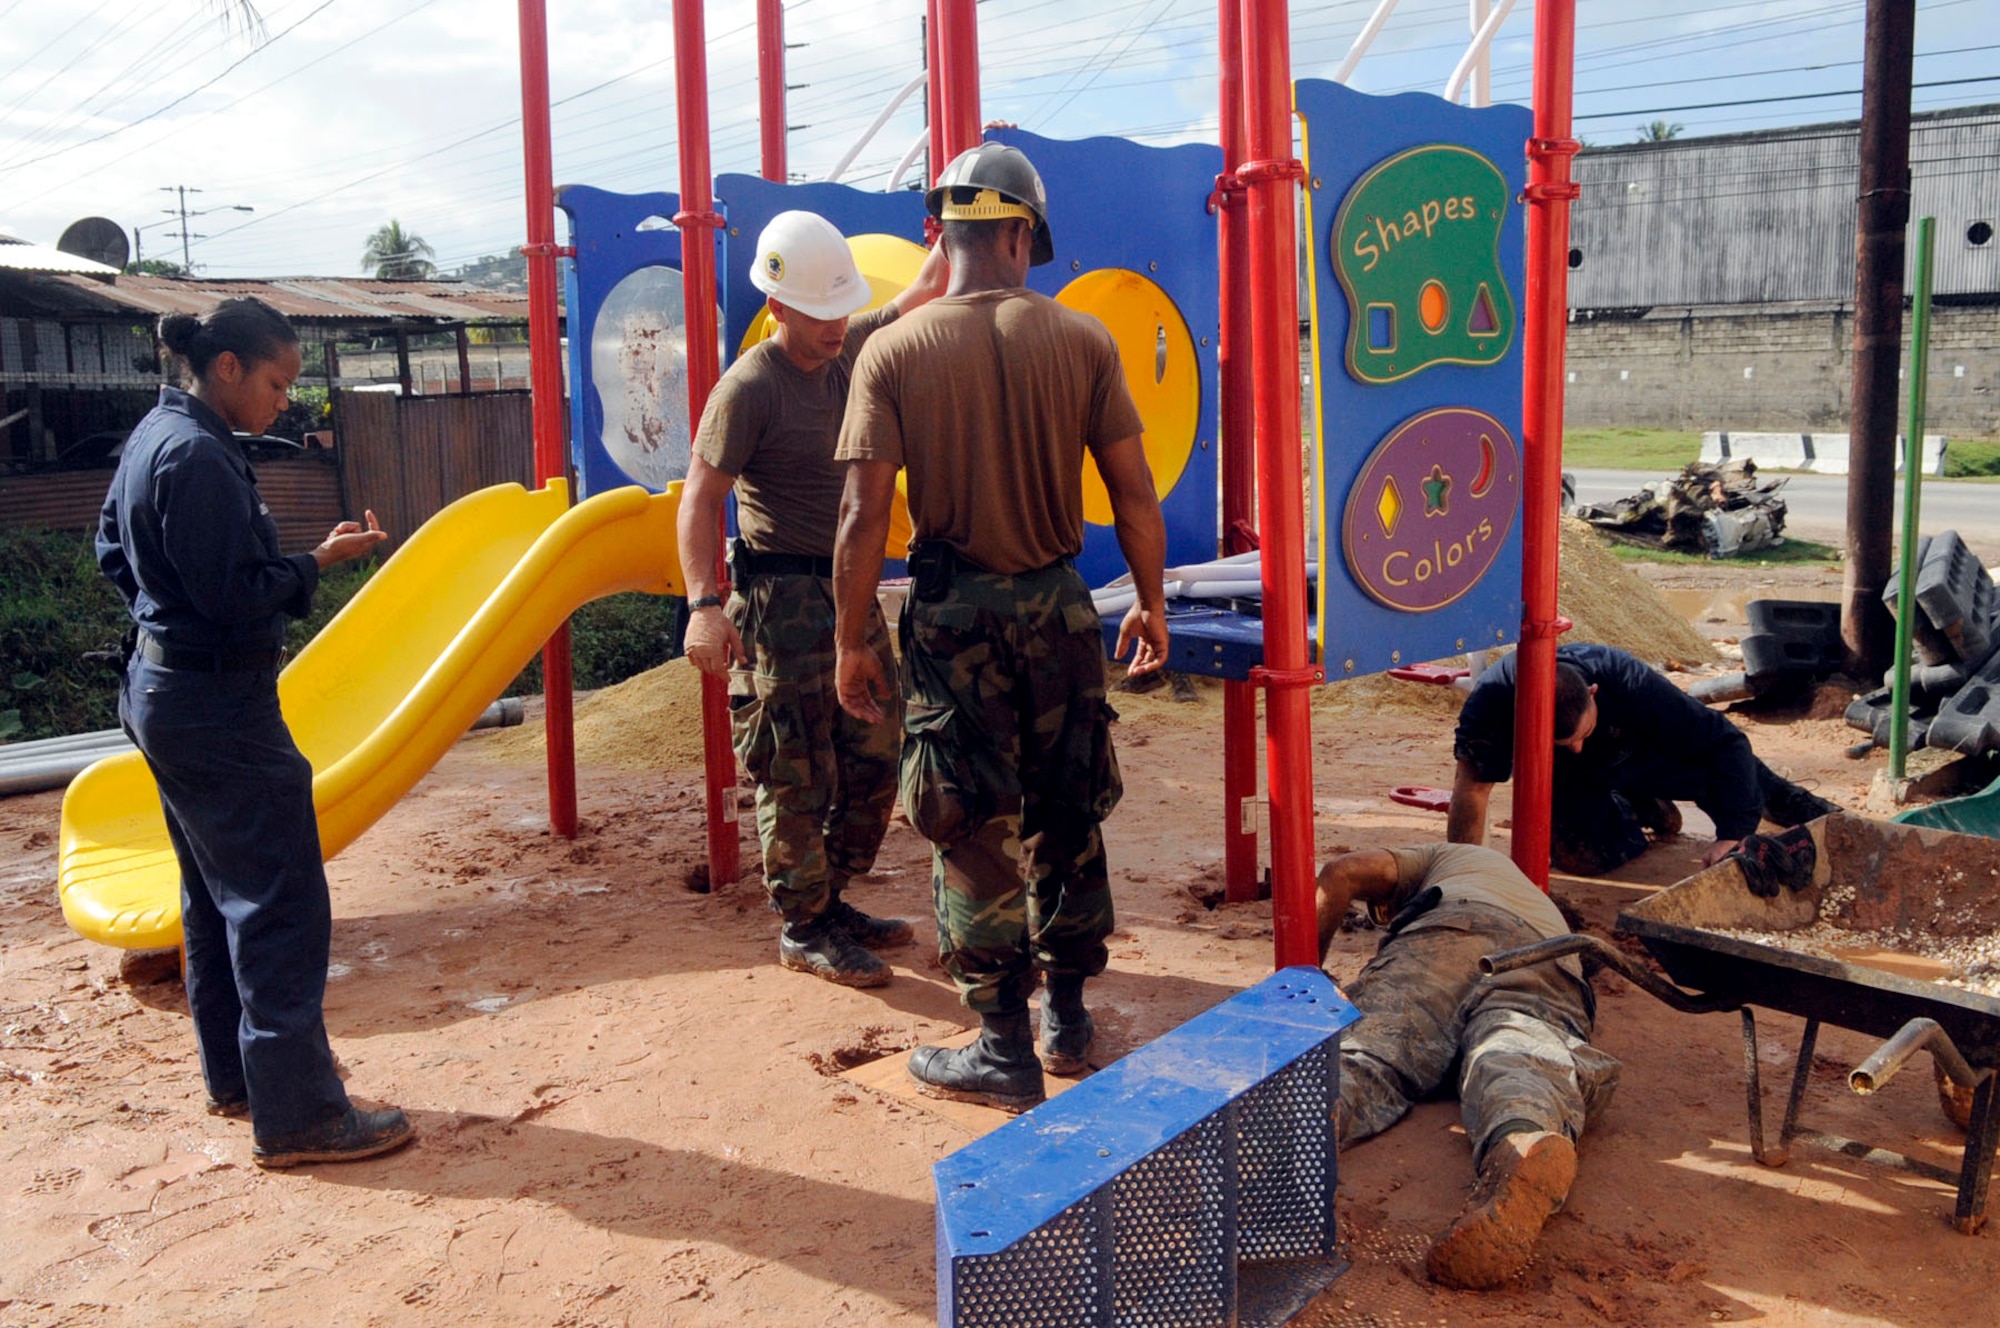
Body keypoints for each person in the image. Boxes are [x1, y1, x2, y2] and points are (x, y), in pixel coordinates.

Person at [831, 142, 1170, 1112]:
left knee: (969, 825)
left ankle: (998, 1042)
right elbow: (1133, 492)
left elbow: (860, 517)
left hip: (955, 618)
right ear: (1022, 233)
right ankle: (1066, 1014)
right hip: (1060, 608)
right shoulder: (1082, 340)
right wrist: (1147, 600)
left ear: (940, 233)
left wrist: (853, 638)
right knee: (1067, 811)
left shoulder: (892, 350)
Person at [97, 298, 411, 1169]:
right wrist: (315, 563)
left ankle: (242, 1077)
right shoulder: (197, 455)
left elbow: (110, 554)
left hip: (167, 689)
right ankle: (302, 1115)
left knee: (213, 892)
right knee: (279, 900)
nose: (285, 403)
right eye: (277, 383)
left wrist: (169, 626)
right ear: (227, 368)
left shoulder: (156, 436)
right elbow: (235, 594)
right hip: (217, 704)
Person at [678, 211, 949, 988]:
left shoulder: (849, 349)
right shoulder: (748, 389)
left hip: (849, 591)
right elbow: (699, 500)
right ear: (778, 308)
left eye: (842, 310)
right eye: (821, 313)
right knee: (795, 768)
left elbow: (929, 287)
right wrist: (704, 603)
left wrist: (961, 191)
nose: (836, 326)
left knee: (875, 751)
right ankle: (803, 924)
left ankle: (829, 899)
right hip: (781, 600)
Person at [1315, 842, 1620, 1289]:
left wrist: (1306, 972)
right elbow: (1471, 798)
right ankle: (1520, 1136)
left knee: (1372, 1051)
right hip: (1549, 958)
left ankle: (1282, 1140)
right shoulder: (1510, 884)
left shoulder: (1436, 858)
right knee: (1518, 1052)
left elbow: (1340, 872)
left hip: (1450, 933)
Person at [1449, 642, 1839, 874]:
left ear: (1595, 692)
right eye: (1562, 742)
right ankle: (1634, 810)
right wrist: (1464, 873)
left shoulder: (1630, 680)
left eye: (1581, 735)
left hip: (1641, 754)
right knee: (1581, 858)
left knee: (1741, 780)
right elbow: (1472, 790)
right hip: (1574, 781)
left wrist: (1733, 834)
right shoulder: (1491, 705)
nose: (1577, 746)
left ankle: (1832, 821)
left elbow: (1726, 743)